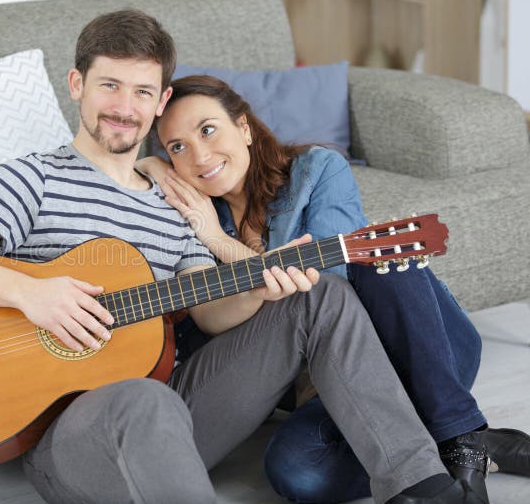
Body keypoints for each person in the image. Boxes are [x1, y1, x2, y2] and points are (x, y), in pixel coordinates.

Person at [0, 10, 485, 503]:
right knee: (143, 399)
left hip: (183, 408)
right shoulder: (36, 179)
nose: (124, 107)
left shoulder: (175, 206)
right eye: (109, 86)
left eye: (142, 91)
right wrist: (31, 293)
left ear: (160, 100)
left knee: (320, 295)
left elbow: (209, 315)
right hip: (78, 434)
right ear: (77, 86)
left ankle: (423, 487)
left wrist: (255, 287)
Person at [139, 74, 530, 503]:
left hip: (422, 351)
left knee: (377, 261)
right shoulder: (188, 217)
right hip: (335, 384)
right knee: (299, 472)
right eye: (177, 147)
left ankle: (462, 433)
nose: (199, 154)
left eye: (207, 130)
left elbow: (331, 287)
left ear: (244, 127)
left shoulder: (317, 170)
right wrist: (154, 169)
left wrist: (220, 241)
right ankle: (453, 441)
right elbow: (217, 324)